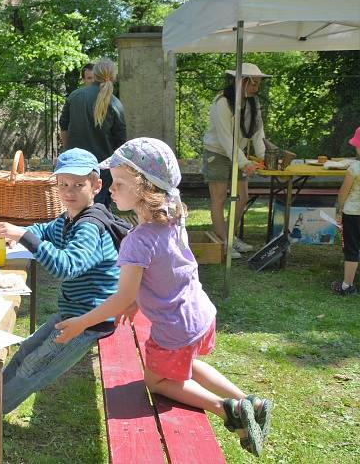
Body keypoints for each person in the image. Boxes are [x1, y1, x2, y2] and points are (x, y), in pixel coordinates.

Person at [54, 137, 273, 456]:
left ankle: (227, 409)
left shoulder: (136, 241)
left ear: (145, 190)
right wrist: (134, 301)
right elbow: (162, 270)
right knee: (187, 362)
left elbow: (119, 297)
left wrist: (80, 324)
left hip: (175, 328)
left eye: (119, 183)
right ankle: (249, 400)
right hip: (200, 315)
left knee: (156, 381)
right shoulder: (173, 213)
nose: (110, 190)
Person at [0, 148, 119, 427]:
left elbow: (66, 266)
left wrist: (23, 235)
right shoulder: (69, 218)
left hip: (88, 320)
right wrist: (17, 234)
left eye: (78, 185)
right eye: (63, 184)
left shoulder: (89, 227)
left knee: (33, 368)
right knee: (26, 351)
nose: (69, 191)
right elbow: (44, 230)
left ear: (96, 185)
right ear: (55, 185)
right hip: (72, 312)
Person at [202, 63, 269, 259]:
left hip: (237, 154)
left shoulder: (253, 102)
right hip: (217, 153)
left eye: (258, 83)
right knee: (220, 198)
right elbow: (225, 138)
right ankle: (224, 242)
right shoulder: (222, 102)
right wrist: (244, 163)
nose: (257, 87)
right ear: (241, 81)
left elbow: (258, 133)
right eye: (254, 83)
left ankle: (230, 237)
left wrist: (265, 158)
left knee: (242, 197)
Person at [59, 58, 126, 208]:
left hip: (75, 164)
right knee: (99, 210)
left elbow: (63, 126)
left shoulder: (75, 96)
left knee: (73, 208)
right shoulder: (115, 103)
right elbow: (120, 142)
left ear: (95, 75)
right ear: (114, 76)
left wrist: (69, 150)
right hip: (103, 168)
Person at [332, 127, 360, 296]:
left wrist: (339, 210)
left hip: (353, 215)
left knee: (352, 249)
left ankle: (347, 286)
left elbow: (343, 193)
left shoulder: (354, 168)